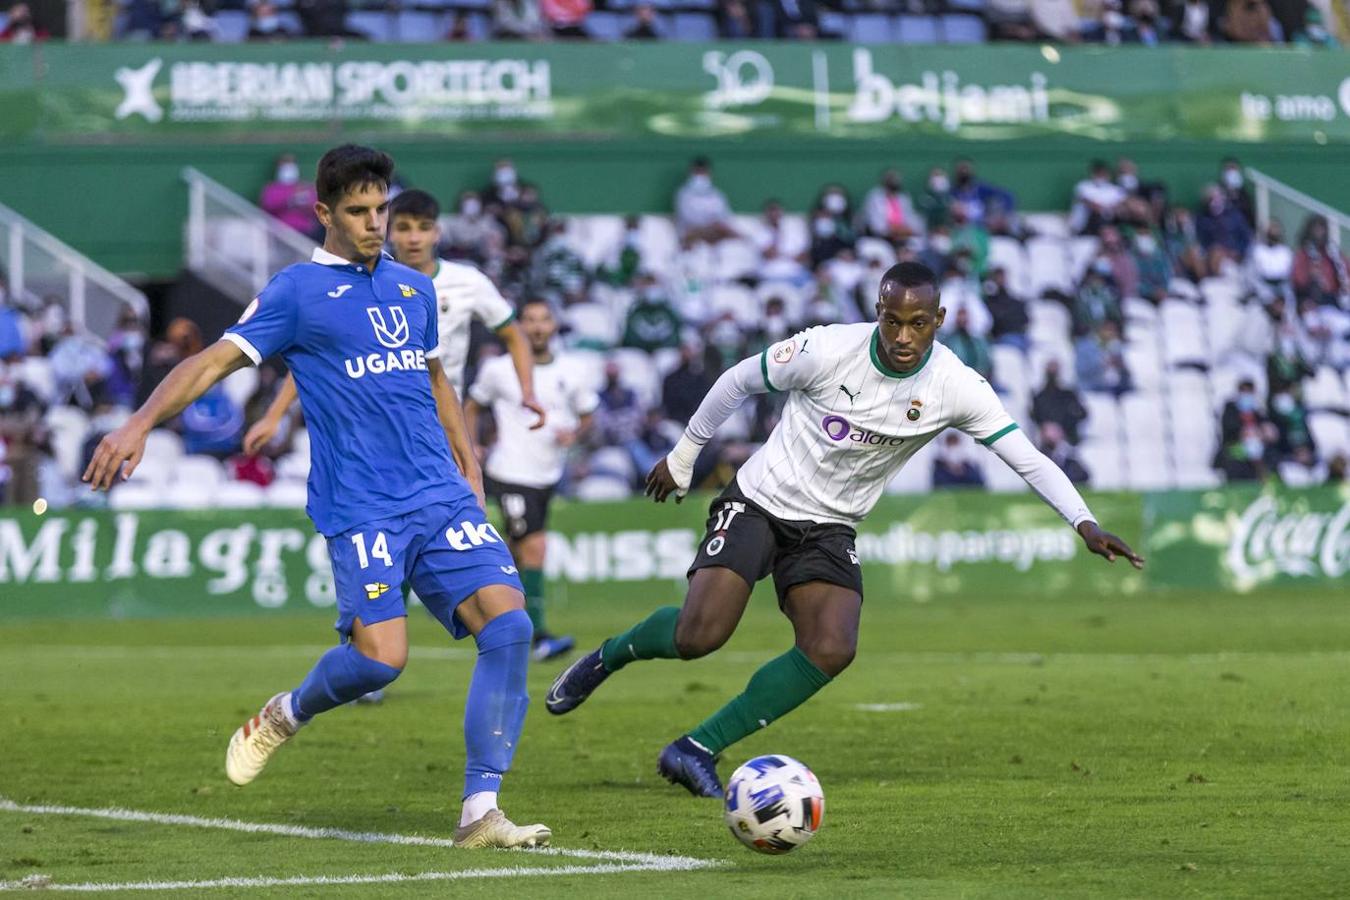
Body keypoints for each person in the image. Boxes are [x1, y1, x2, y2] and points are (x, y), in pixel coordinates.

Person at [82, 145, 550, 849]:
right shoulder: (295, 292)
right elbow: (214, 360)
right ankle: (287, 710)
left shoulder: (413, 289)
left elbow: (432, 379)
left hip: (438, 493)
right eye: (358, 211)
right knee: (381, 661)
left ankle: (479, 811)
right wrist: (141, 421)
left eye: (381, 209)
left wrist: (469, 462)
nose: (374, 223)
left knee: (509, 629)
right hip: (361, 501)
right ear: (324, 212)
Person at [545, 262, 1143, 797]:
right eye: (892, 320)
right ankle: (608, 655)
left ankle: (695, 748)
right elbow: (735, 381)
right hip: (760, 501)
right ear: (877, 314)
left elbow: (1028, 457)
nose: (903, 336)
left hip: (831, 527)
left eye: (917, 323)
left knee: (832, 646)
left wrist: (1083, 522)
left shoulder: (955, 386)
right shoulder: (826, 350)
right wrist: (683, 457)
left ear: (940, 319)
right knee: (700, 635)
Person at [466, 299, 598, 663]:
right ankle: (538, 635)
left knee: (514, 553)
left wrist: (576, 434)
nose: (538, 327)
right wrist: (471, 443)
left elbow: (588, 416)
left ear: (555, 325)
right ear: (519, 325)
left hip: (548, 474)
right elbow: (472, 404)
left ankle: (474, 600)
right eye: (530, 319)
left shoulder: (574, 369)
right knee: (534, 548)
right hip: (511, 472)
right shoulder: (498, 369)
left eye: (544, 319)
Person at [674, 157, 738, 247]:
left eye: (703, 172)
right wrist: (709, 225)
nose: (700, 176)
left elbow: (725, 216)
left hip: (716, 232)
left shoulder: (717, 195)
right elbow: (687, 218)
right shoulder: (683, 194)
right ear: (691, 173)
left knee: (737, 237)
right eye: (698, 172)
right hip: (692, 233)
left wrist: (718, 225)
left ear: (709, 174)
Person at [259, 154, 320, 240]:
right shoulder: (272, 189)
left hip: (305, 233)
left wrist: (305, 205)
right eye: (285, 165)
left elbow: (317, 208)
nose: (288, 169)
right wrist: (289, 201)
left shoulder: (305, 187)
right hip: (280, 233)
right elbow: (268, 206)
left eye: (291, 165)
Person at [1032, 360, 1087, 444]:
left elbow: (1082, 414)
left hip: (1068, 439)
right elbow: (1035, 416)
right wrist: (1047, 427)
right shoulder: (1039, 397)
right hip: (1046, 440)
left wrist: (1062, 428)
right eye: (1050, 370)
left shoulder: (1069, 395)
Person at [860, 170, 921, 245]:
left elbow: (912, 220)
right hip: (880, 239)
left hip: (903, 236)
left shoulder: (903, 197)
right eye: (891, 178)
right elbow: (877, 227)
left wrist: (907, 231)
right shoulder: (875, 197)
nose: (895, 181)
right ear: (884, 181)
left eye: (896, 179)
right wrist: (897, 231)